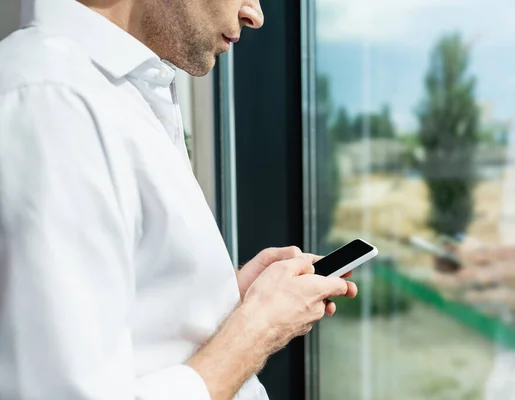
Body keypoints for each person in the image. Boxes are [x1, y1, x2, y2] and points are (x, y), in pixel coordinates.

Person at [0, 0, 358, 399]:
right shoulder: (54, 105)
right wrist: (259, 327)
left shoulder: (116, 93)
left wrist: (223, 300)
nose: (254, 14)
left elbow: (127, 328)